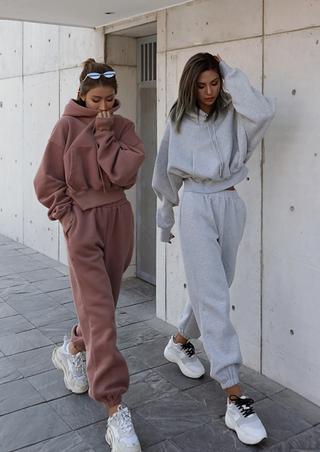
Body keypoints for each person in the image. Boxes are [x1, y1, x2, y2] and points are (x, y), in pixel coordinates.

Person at [152, 53, 276, 445]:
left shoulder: (233, 114)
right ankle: (235, 397)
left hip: (231, 204)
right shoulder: (177, 121)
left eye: (214, 83)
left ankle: (180, 343)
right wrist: (165, 220)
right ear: (190, 85)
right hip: (195, 206)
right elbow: (164, 172)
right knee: (215, 301)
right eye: (201, 85)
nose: (208, 92)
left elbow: (263, 112)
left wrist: (229, 71)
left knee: (215, 289)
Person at [34, 58, 146, 452]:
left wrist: (105, 135)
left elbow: (126, 175)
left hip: (119, 219)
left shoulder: (122, 127)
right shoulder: (65, 126)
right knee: (102, 315)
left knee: (105, 308)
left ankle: (73, 349)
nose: (103, 108)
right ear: (82, 94)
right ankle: (115, 408)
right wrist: (69, 218)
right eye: (96, 100)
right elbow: (45, 180)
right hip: (83, 224)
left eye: (110, 100)